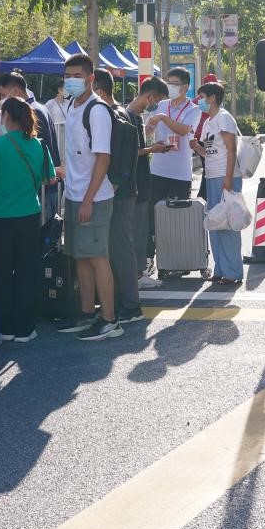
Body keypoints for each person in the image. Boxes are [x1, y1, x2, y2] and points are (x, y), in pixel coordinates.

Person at [57, 54, 121, 341]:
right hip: (74, 194)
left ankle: (109, 319)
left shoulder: (96, 110)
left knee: (97, 257)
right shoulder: (72, 105)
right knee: (80, 257)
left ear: (90, 78)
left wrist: (87, 200)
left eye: (76, 75)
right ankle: (86, 313)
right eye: (67, 75)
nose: (70, 80)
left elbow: (103, 159)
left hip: (93, 198)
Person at [0, 96, 55, 342]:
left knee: (3, 272)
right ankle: (25, 328)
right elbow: (50, 180)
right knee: (27, 271)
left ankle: (5, 327)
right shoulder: (39, 145)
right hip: (29, 215)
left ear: (5, 117)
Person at [91, 69, 147, 323]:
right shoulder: (124, 114)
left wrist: (114, 184)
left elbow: (123, 158)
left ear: (100, 91)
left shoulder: (113, 116)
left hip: (118, 193)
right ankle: (123, 301)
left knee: (120, 248)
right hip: (123, 190)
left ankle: (129, 305)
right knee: (118, 247)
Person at [145, 67, 202, 267]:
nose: (171, 87)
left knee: (176, 220)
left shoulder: (193, 109)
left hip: (180, 174)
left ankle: (176, 262)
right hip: (158, 170)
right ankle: (149, 259)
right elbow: (150, 131)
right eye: (168, 83)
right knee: (152, 218)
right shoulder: (161, 104)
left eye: (175, 84)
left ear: (186, 86)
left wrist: (162, 118)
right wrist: (151, 126)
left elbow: (183, 130)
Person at [0, 71, 61, 223]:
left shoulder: (33, 112)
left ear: (16, 91)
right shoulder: (40, 107)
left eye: (3, 95)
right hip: (43, 188)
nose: (2, 101)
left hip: (40, 191)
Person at [196, 81, 244, 286]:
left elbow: (231, 150)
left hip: (225, 177)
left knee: (229, 224)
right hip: (211, 176)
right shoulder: (208, 122)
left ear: (212, 98)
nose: (199, 101)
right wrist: (195, 148)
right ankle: (220, 269)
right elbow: (208, 153)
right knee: (216, 222)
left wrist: (228, 179)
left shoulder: (224, 118)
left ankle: (233, 272)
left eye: (201, 97)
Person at [125, 76, 169, 290]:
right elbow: (131, 152)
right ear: (150, 95)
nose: (156, 104)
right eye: (157, 99)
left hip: (140, 181)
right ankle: (137, 274)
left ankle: (137, 272)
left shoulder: (135, 115)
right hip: (137, 184)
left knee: (139, 229)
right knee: (138, 230)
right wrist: (153, 149)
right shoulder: (130, 116)